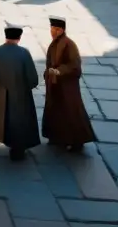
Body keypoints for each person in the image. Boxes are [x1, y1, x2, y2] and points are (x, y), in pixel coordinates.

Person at [0, 23, 40, 161]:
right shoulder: (24, 53)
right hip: (22, 95)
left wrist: (0, 84)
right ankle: (19, 148)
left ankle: (8, 142)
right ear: (19, 37)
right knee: (21, 121)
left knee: (5, 119)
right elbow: (33, 79)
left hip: (2, 93)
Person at [42, 16, 95, 151]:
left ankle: (78, 140)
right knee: (55, 111)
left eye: (56, 29)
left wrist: (59, 71)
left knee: (71, 112)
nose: (53, 32)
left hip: (66, 86)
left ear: (62, 30)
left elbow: (75, 65)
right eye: (52, 29)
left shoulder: (69, 44)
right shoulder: (54, 43)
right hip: (54, 84)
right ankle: (56, 137)